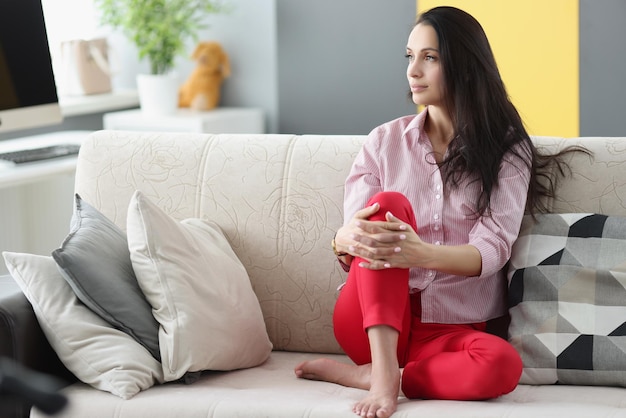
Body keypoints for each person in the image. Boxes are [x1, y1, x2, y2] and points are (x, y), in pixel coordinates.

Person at [294, 5, 588, 418]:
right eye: (410, 57)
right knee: (389, 206)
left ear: (465, 67)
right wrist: (341, 239)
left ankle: (387, 376)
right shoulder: (383, 142)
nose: (413, 70)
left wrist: (421, 254)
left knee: (503, 366)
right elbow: (359, 234)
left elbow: (494, 247)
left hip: (452, 329)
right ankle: (381, 371)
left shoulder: (508, 149)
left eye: (429, 58)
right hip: (370, 322)